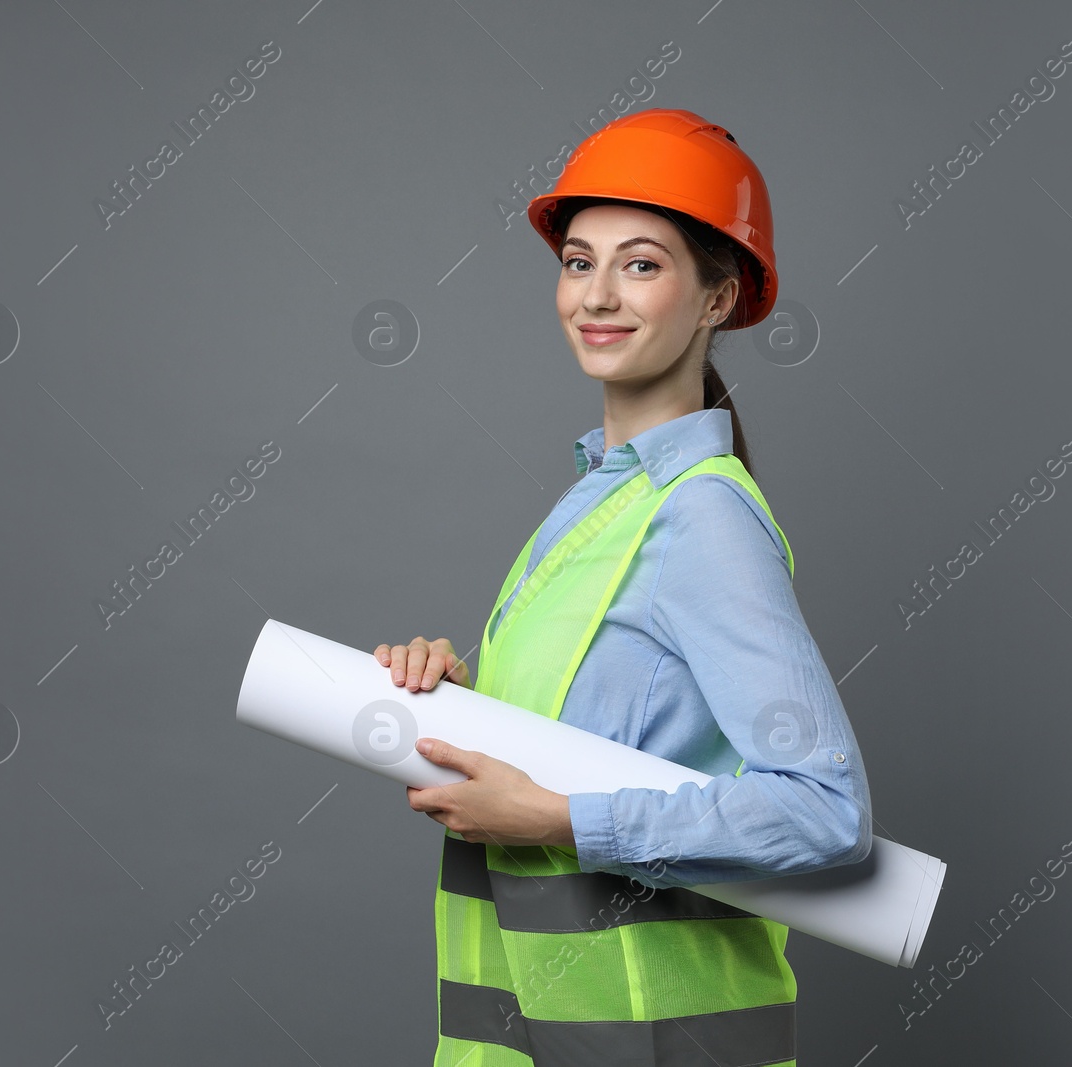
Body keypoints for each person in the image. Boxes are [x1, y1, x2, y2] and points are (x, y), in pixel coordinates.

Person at [373, 108, 872, 1067]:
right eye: (577, 261)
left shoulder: (703, 518)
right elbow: (597, 738)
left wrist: (559, 819)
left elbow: (823, 809)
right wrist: (452, 701)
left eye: (640, 264)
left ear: (719, 298)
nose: (597, 294)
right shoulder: (600, 506)